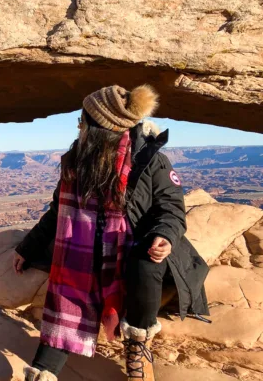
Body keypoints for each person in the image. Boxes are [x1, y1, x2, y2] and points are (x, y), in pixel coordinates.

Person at [13, 85, 210, 381]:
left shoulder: (148, 159)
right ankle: (43, 371)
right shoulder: (77, 160)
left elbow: (171, 208)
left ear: (101, 126)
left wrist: (165, 236)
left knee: (146, 262)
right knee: (74, 281)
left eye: (84, 120)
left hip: (135, 247)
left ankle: (137, 344)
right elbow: (58, 211)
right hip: (88, 249)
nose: (80, 126)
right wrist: (28, 247)